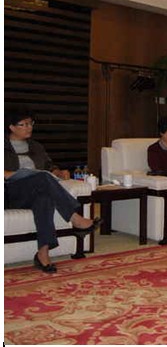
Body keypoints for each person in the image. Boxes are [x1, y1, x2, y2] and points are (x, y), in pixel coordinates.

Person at [4, 105, 101, 273]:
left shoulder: (36, 146)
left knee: (45, 198)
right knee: (42, 177)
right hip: (11, 192)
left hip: (34, 190)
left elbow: (48, 166)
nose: (29, 127)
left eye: (30, 123)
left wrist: (58, 172)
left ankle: (43, 254)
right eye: (23, 124)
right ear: (11, 127)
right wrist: (11, 174)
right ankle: (75, 218)